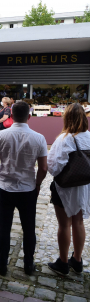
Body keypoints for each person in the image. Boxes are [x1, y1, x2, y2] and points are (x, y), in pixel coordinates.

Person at [0, 101, 48, 276]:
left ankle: (3, 263)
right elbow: (43, 168)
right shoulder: (39, 138)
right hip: (28, 189)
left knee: (4, 226)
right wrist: (37, 184)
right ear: (29, 116)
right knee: (29, 227)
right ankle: (29, 264)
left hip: (5, 187)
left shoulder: (0, 136)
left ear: (11, 116)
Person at [47, 103, 90, 275]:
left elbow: (54, 167)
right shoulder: (89, 137)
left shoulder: (64, 139)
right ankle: (77, 260)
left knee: (64, 225)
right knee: (79, 222)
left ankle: (63, 263)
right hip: (85, 186)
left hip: (65, 187)